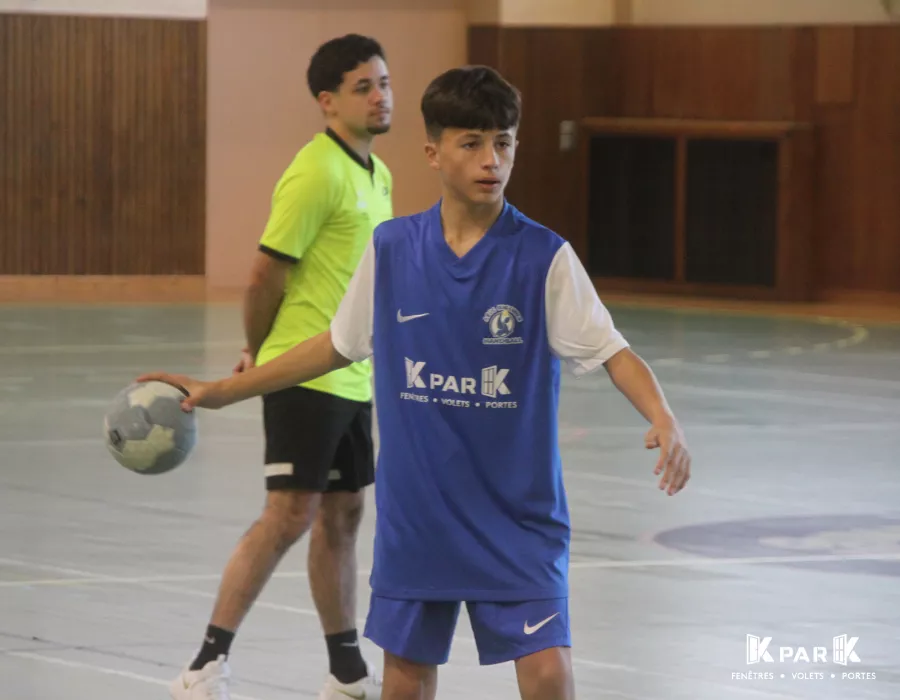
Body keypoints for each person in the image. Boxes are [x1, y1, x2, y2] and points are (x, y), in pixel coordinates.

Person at [149, 65, 691, 700]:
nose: (493, 160)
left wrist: (663, 415)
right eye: (473, 143)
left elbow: (614, 352)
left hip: (517, 517)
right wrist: (223, 390)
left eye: (505, 143)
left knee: (547, 673)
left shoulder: (544, 257)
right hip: (420, 517)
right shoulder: (392, 249)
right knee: (405, 680)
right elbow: (333, 346)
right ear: (433, 152)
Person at [169, 34, 393, 700]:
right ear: (328, 102)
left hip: (354, 375)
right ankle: (206, 663)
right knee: (289, 514)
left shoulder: (377, 175)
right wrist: (259, 349)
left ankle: (346, 669)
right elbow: (266, 272)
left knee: (345, 515)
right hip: (304, 372)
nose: (381, 96)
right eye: (364, 86)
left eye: (385, 82)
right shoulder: (315, 170)